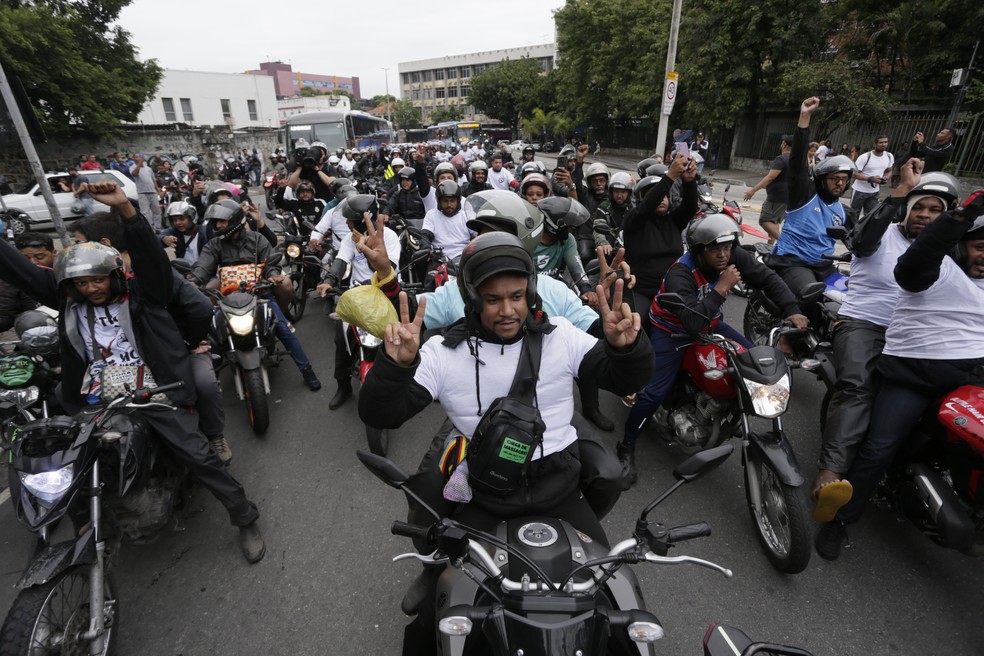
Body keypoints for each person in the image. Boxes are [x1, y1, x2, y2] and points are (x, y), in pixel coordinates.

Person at [358, 230, 654, 615]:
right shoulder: (441, 353)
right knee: (440, 614)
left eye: (516, 297)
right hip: (486, 493)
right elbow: (380, 413)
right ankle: (432, 569)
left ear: (530, 293)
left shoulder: (561, 337)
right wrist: (395, 367)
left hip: (560, 487)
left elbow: (626, 380)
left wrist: (626, 348)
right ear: (472, 298)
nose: (507, 310)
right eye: (493, 299)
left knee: (614, 597)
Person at [0, 182, 265, 561]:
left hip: (153, 388)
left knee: (198, 456)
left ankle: (244, 516)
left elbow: (152, 260)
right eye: (81, 282)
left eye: (97, 280)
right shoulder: (66, 296)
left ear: (115, 275)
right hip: (95, 394)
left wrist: (126, 208)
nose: (90, 288)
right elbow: (17, 268)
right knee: (65, 457)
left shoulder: (144, 293)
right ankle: (84, 525)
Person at [814, 188, 984, 560]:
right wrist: (960, 216)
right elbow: (909, 261)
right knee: (876, 442)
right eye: (978, 246)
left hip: (968, 377)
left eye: (934, 210)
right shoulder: (933, 266)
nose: (983, 255)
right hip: (910, 370)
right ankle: (838, 518)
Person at [616, 213, 807, 481]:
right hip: (672, 330)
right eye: (714, 249)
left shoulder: (731, 256)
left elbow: (766, 278)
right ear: (698, 250)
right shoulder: (681, 274)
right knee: (654, 393)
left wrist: (792, 310)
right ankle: (626, 446)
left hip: (711, 323)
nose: (722, 255)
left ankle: (729, 413)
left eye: (727, 247)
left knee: (753, 362)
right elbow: (692, 324)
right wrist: (721, 287)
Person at [73, 210, 233, 464]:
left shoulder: (153, 274)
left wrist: (186, 344)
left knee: (204, 383)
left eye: (79, 244)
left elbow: (200, 309)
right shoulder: (83, 283)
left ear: (104, 244)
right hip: (120, 365)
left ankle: (214, 436)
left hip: (173, 354)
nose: (75, 252)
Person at [188, 199, 322, 392]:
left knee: (283, 329)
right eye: (215, 222)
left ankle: (307, 370)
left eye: (222, 222)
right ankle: (211, 383)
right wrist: (193, 282)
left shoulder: (258, 240)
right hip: (227, 300)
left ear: (234, 220)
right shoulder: (214, 245)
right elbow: (202, 268)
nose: (218, 226)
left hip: (260, 294)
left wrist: (272, 275)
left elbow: (271, 265)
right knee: (214, 335)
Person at [315, 195, 401, 410]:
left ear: (363, 220)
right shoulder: (348, 240)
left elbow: (387, 269)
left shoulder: (388, 238)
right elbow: (340, 262)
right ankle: (343, 387)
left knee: (404, 337)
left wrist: (368, 251)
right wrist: (328, 280)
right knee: (341, 341)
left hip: (384, 296)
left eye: (350, 220)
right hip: (357, 298)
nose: (346, 224)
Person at [768, 97, 855, 304]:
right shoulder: (804, 195)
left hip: (823, 265)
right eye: (835, 179)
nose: (840, 184)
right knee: (810, 296)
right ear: (822, 180)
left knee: (850, 299)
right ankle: (786, 335)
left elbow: (860, 243)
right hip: (792, 262)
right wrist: (805, 116)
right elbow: (797, 161)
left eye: (844, 180)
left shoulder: (844, 212)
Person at [621, 153, 699, 317]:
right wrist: (670, 175)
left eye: (665, 195)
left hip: (672, 290)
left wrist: (689, 181)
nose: (661, 199)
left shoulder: (674, 221)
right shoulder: (634, 221)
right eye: (655, 195)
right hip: (641, 291)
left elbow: (691, 207)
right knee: (636, 323)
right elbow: (645, 208)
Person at [744, 135, 792, 244]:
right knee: (773, 222)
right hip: (788, 196)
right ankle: (770, 249)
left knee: (765, 220)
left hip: (777, 197)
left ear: (784, 145)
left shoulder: (781, 159)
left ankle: (785, 243)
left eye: (782, 142)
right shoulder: (796, 160)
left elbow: (770, 177)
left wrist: (753, 190)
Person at [0, 232, 51, 332]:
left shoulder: (65, 274)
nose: (33, 262)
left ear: (54, 253)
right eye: (25, 259)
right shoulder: (12, 282)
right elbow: (6, 315)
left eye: (39, 257)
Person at [420, 180, 475, 262]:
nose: (449, 205)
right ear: (439, 201)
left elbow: (478, 235)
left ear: (458, 201)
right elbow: (426, 235)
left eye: (452, 201)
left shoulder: (466, 215)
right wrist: (426, 248)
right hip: (438, 258)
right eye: (445, 201)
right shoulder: (432, 215)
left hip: (464, 257)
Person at [851, 135, 895, 219]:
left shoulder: (889, 156)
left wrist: (885, 178)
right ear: (874, 144)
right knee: (853, 215)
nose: (883, 144)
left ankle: (865, 232)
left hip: (874, 192)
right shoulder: (865, 157)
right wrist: (870, 179)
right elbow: (854, 174)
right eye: (881, 142)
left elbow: (889, 170)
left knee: (871, 216)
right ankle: (852, 232)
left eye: (886, 142)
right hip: (859, 191)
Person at [592, 171, 634, 256]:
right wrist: (603, 243)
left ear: (629, 193)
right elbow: (598, 227)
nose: (619, 195)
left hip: (630, 245)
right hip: (611, 246)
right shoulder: (603, 208)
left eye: (623, 192)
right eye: (616, 191)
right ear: (611, 192)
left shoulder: (634, 208)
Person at [132, 153, 163, 232]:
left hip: (152, 192)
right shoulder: (133, 167)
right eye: (136, 157)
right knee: (145, 213)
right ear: (134, 159)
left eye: (140, 156)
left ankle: (157, 228)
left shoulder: (148, 168)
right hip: (142, 193)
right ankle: (150, 230)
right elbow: (135, 174)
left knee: (157, 211)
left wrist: (158, 191)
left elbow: (154, 180)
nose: (139, 158)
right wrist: (139, 164)